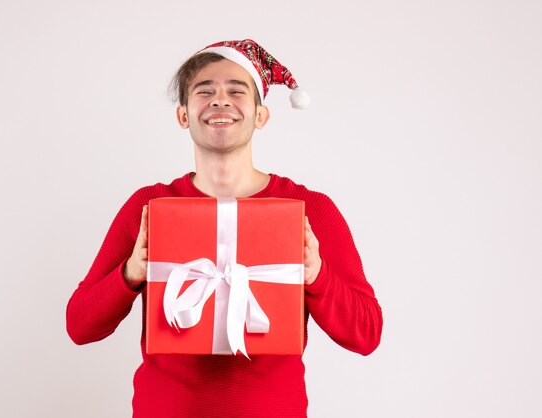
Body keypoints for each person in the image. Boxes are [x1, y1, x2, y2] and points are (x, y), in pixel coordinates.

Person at [66, 39, 383, 417]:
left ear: (261, 115)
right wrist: (130, 273)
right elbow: (79, 326)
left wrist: (318, 276)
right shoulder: (148, 206)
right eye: (205, 91)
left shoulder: (308, 210)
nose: (220, 101)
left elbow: (367, 334)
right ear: (183, 115)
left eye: (236, 90)